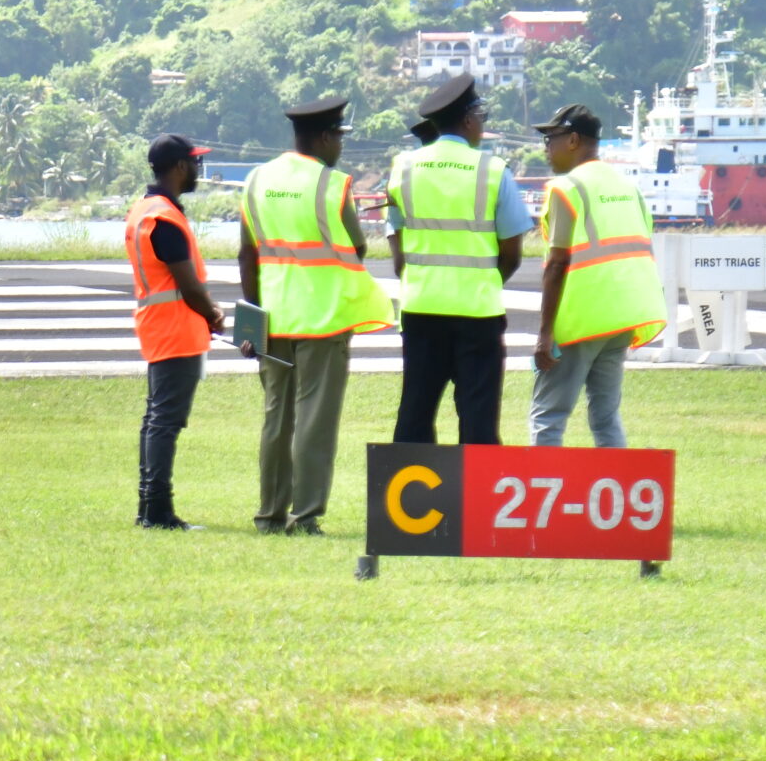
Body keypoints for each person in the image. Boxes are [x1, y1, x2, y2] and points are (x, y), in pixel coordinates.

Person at [237, 94, 394, 536]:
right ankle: (304, 517)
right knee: (314, 421)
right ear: (325, 137)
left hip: (273, 318)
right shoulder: (333, 185)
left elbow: (247, 254)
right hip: (322, 319)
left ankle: (269, 514)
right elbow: (357, 247)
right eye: (339, 138)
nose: (340, 147)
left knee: (276, 418)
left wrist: (253, 317)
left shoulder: (256, 180)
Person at [387, 74, 530, 444]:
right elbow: (512, 253)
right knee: (478, 419)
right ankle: (477, 500)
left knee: (415, 413)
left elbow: (398, 249)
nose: (482, 124)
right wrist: (483, 279)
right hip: (478, 311)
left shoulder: (403, 168)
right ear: (468, 119)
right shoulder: (493, 170)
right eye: (481, 116)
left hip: (421, 308)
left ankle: (411, 497)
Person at [529, 103, 668, 447]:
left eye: (551, 139)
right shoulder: (627, 187)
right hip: (623, 317)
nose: (547, 148)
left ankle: (545, 494)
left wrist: (545, 334)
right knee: (605, 416)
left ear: (573, 140)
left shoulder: (567, 188)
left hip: (582, 317)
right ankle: (617, 495)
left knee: (548, 416)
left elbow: (558, 263)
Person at [128, 134, 224, 530]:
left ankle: (149, 506)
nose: (198, 169)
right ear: (180, 167)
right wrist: (214, 313)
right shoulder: (165, 217)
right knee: (166, 422)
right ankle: (157, 511)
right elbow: (188, 285)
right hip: (177, 330)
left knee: (156, 420)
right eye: (195, 162)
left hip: (159, 328)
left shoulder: (143, 210)